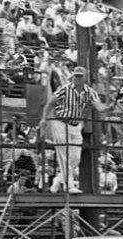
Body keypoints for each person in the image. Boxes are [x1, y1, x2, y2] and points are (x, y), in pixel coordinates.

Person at [39, 66, 113, 194]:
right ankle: (69, 185)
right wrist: (44, 119)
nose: (77, 78)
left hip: (76, 125)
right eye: (76, 76)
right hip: (60, 122)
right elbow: (50, 103)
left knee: (75, 158)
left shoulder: (90, 92)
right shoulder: (64, 89)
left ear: (85, 78)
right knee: (63, 153)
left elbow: (99, 107)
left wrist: (108, 108)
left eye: (80, 76)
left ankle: (58, 180)